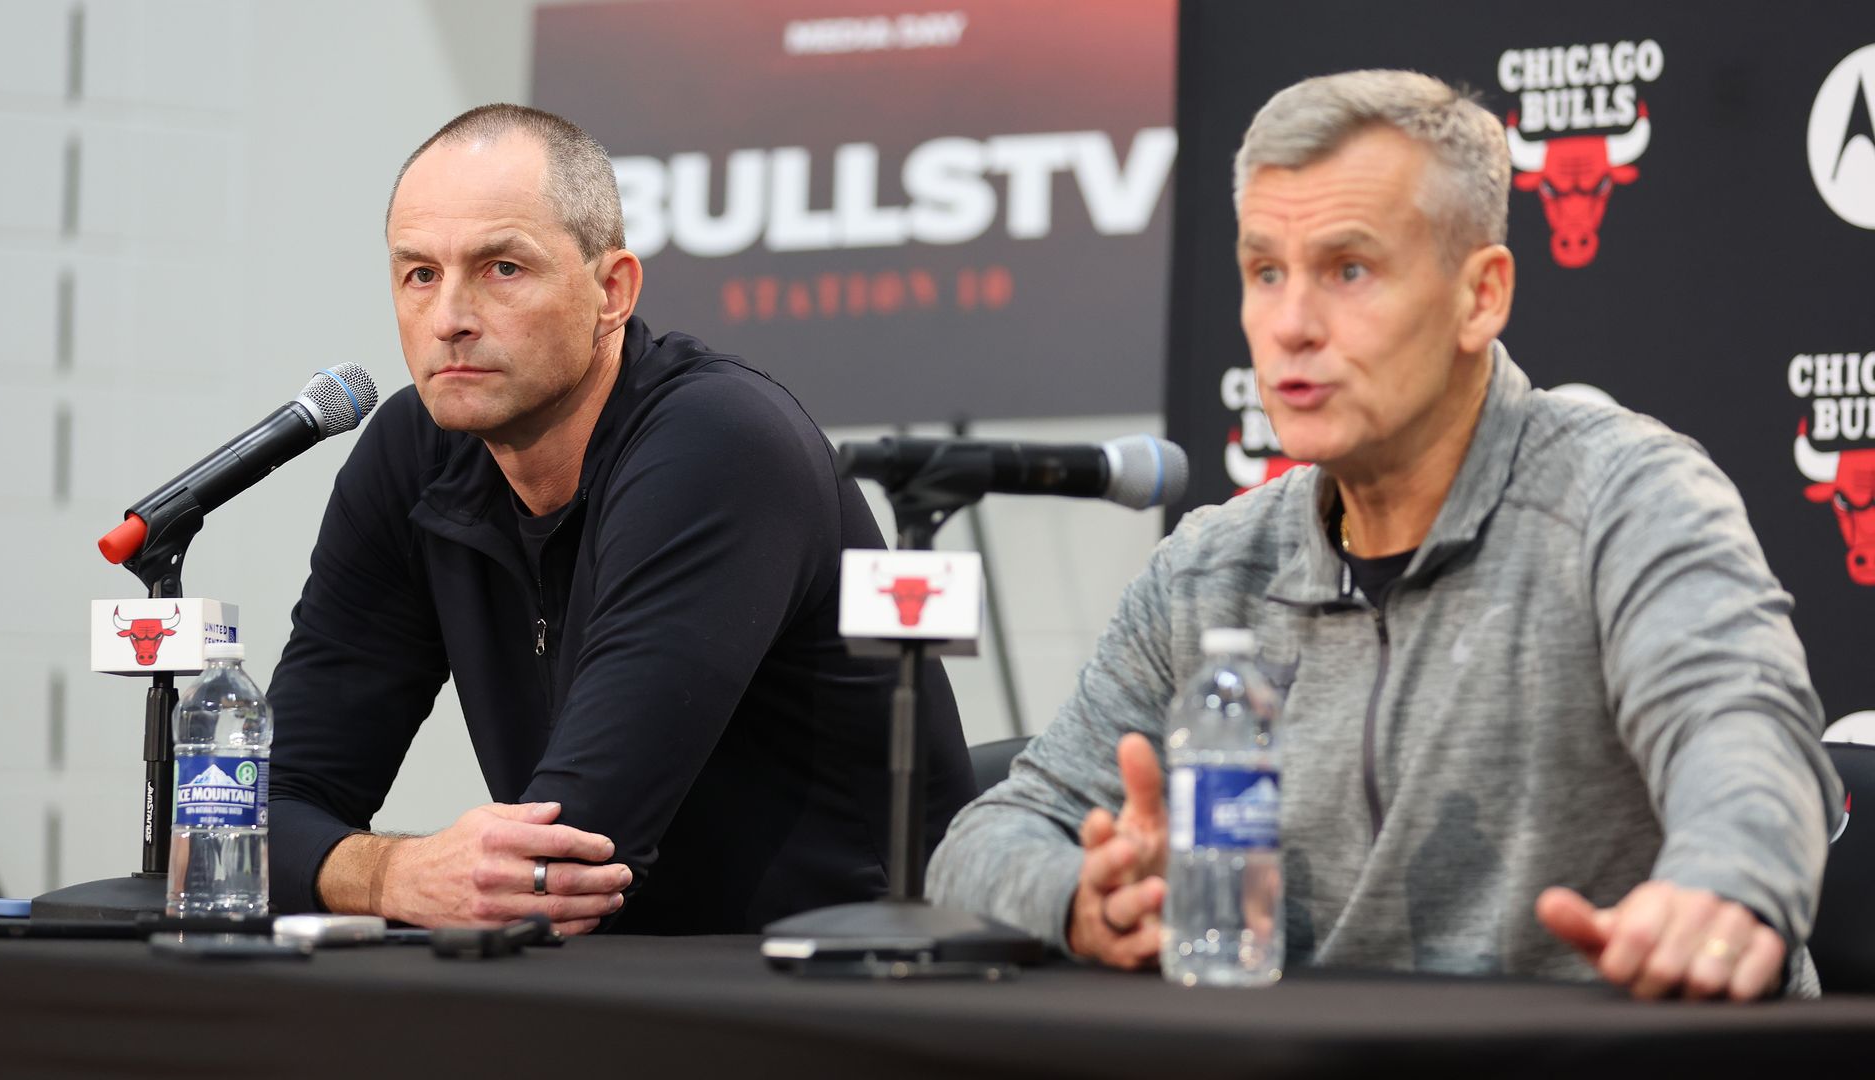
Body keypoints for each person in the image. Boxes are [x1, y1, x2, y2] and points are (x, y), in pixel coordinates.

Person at [926, 70, 1843, 999]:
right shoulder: (1209, 569)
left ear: (1480, 296)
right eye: (1264, 272)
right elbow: (988, 838)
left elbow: (1741, 724)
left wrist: (1724, 886)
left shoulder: (1623, 495)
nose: (1289, 326)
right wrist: (1085, 898)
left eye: (1348, 270)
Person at [266, 104, 974, 934]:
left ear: (612, 291)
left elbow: (560, 856)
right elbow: (236, 820)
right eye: (419, 273)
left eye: (501, 268)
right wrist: (389, 874)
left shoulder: (720, 444)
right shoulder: (413, 451)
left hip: (849, 991)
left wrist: (357, 868)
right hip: (613, 983)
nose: (450, 316)